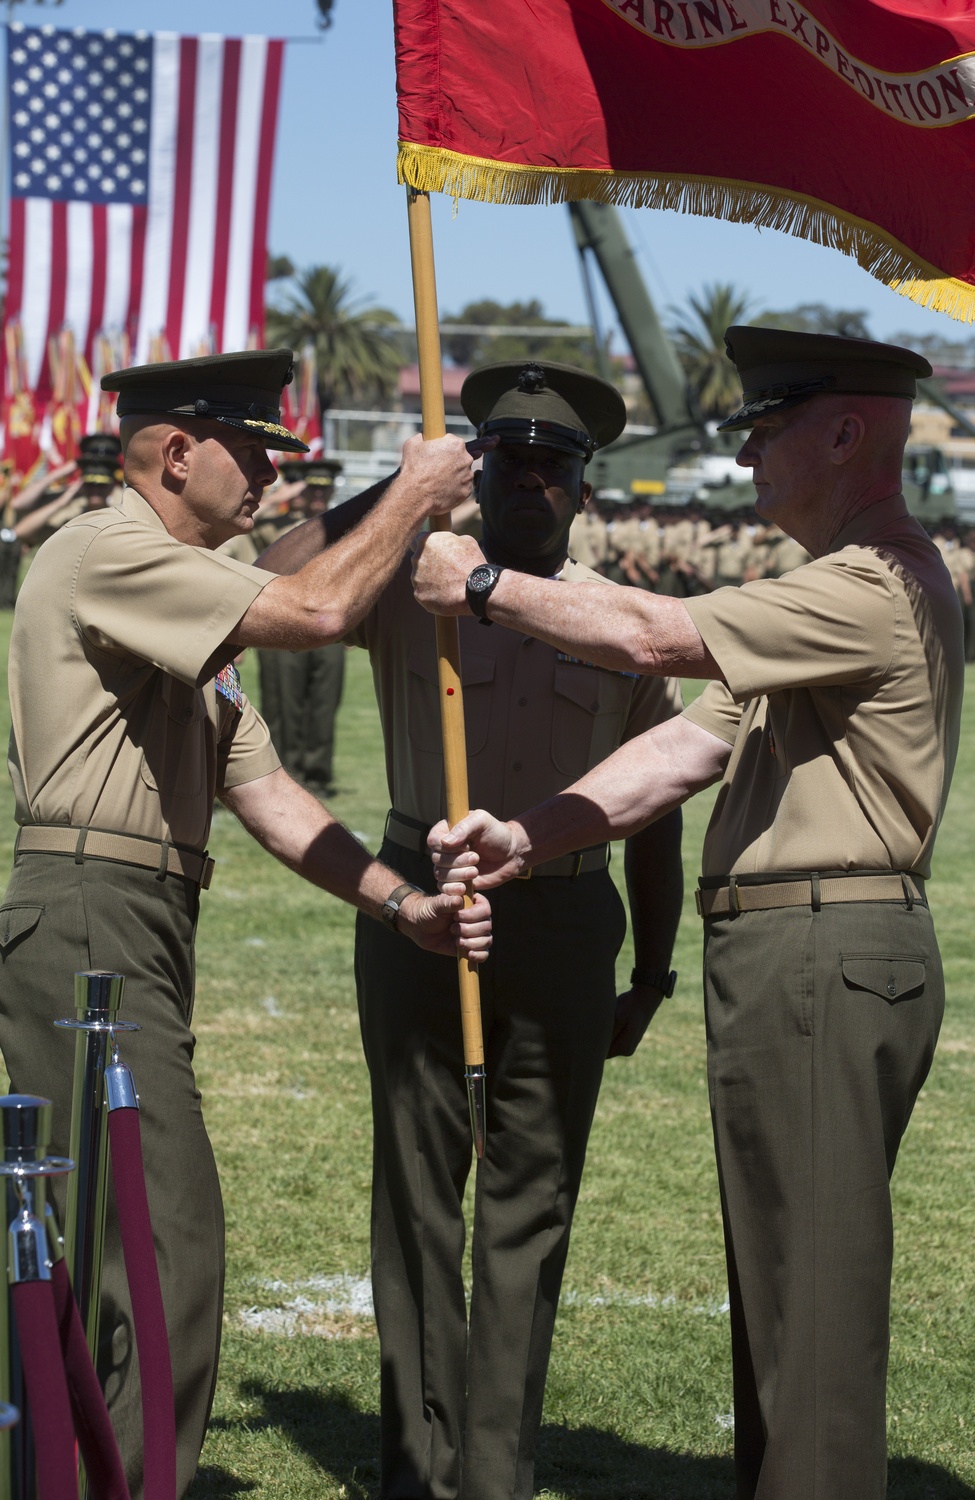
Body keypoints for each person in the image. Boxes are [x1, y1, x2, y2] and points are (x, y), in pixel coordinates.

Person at [413, 328, 964, 1500]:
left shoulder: (872, 582)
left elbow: (652, 638)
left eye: (767, 433)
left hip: (824, 949)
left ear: (845, 433)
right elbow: (675, 750)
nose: (754, 457)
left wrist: (479, 584)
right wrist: (527, 836)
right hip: (793, 955)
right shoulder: (834, 594)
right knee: (778, 1287)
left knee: (807, 1306)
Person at [0, 348, 491, 1499]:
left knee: (126, 1252)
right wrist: (412, 495)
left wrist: (403, 903)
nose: (272, 476)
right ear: (177, 453)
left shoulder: (174, 591)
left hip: (130, 919)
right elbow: (321, 609)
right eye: (256, 451)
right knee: (161, 1250)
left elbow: (267, 796)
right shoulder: (111, 549)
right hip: (91, 916)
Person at [346, 360, 685, 1500]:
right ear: (475, 470)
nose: (529, 478)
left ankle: (494, 1470)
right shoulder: (403, 584)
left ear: (584, 489)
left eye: (554, 464)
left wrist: (655, 966)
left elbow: (655, 809)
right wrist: (395, 499)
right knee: (416, 1185)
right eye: (507, 458)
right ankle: (419, 1465)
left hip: (566, 914)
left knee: (532, 1197)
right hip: (418, 898)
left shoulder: (611, 621)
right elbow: (272, 585)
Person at [257, 458, 347, 798]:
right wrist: (284, 494)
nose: (320, 496)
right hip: (284, 624)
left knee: (324, 703)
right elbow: (253, 519)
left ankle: (318, 774)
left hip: (329, 627)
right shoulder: (279, 525)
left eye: (325, 489)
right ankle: (286, 772)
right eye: (314, 488)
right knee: (284, 700)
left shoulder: (342, 527)